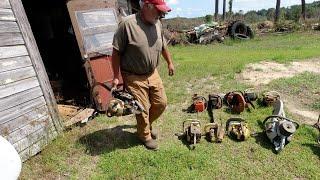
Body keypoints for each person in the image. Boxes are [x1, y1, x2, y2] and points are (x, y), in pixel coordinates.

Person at [111, 0, 174, 150]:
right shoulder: (127, 24)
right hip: (133, 75)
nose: (161, 14)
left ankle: (146, 125)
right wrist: (115, 76)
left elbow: (163, 46)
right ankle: (144, 135)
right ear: (147, 6)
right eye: (158, 10)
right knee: (142, 108)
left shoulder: (157, 23)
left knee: (161, 103)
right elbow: (116, 52)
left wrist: (169, 62)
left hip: (152, 73)